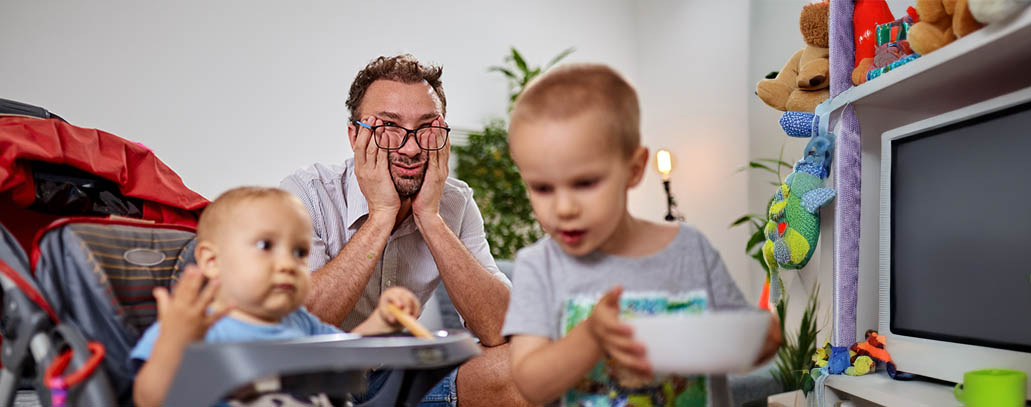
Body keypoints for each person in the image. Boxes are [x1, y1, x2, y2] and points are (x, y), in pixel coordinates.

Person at [501, 63, 784, 406]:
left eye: (585, 183)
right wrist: (591, 337)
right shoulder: (538, 266)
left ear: (634, 169)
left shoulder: (690, 249)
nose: (563, 208)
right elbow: (531, 383)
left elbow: (737, 343)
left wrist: (761, 339)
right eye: (542, 187)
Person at [279, 54, 529, 406]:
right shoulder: (307, 195)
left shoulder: (453, 202)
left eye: (426, 127)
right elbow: (298, 323)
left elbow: (501, 329)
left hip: (404, 386)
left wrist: (430, 218)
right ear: (355, 136)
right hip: (317, 388)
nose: (411, 148)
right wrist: (381, 216)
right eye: (389, 128)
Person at [130, 187, 423, 406]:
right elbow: (149, 400)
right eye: (265, 245)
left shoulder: (301, 322)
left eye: (299, 252)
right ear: (211, 261)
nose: (287, 264)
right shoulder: (193, 327)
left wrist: (381, 324)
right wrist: (174, 341)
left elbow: (345, 359)